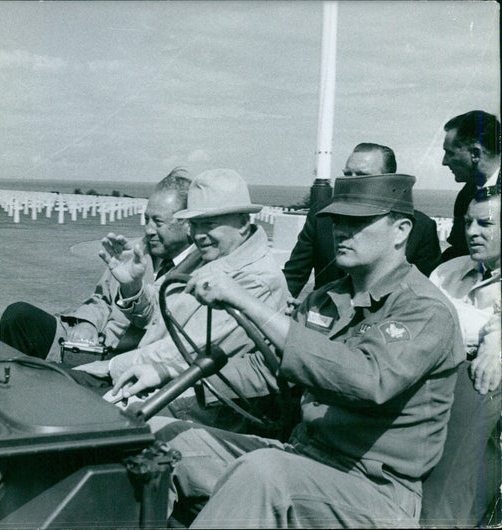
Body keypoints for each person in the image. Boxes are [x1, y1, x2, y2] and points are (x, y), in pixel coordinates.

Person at [122, 174, 463, 527]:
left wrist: (244, 302)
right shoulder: (327, 298)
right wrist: (166, 374)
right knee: (157, 437)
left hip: (375, 491)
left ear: (401, 230)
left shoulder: (423, 310)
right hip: (303, 457)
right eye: (338, 220)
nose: (342, 231)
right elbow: (266, 367)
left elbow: (367, 379)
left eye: (358, 222)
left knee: (265, 474)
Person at [79, 168, 289, 433]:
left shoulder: (258, 280)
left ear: (244, 223)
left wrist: (111, 366)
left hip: (199, 405)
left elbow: (190, 350)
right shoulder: (210, 255)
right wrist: (132, 286)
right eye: (196, 223)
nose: (199, 234)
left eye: (210, 224)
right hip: (154, 378)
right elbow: (160, 313)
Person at [0, 168, 197, 362]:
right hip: (86, 343)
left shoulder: (197, 273)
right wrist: (88, 323)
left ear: (188, 224)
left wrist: (132, 286)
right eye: (146, 219)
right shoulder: (137, 251)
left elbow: (154, 322)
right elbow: (101, 299)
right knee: (18, 316)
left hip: (122, 359)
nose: (148, 229)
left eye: (158, 222)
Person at [420, 187, 501, 527]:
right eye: (468, 222)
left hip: (475, 396)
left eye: (486, 223)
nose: (471, 232)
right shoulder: (448, 272)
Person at [283, 143, 441, 297]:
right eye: (347, 174)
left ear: (388, 179)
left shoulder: (421, 226)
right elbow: (294, 274)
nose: (351, 182)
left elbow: (423, 288)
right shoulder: (321, 215)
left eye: (362, 175)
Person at [441, 110, 501, 262]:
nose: (444, 161)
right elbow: (459, 251)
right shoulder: (466, 196)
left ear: (475, 153)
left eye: (450, 153)